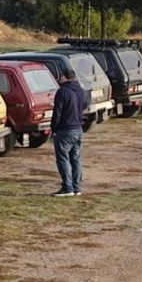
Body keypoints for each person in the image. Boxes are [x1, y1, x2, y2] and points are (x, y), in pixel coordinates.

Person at [50, 68, 89, 197]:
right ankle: (77, 187)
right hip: (78, 129)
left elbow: (57, 112)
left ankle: (67, 187)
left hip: (65, 129)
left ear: (64, 77)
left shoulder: (62, 92)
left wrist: (54, 129)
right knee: (76, 159)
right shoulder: (82, 91)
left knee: (63, 159)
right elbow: (86, 104)